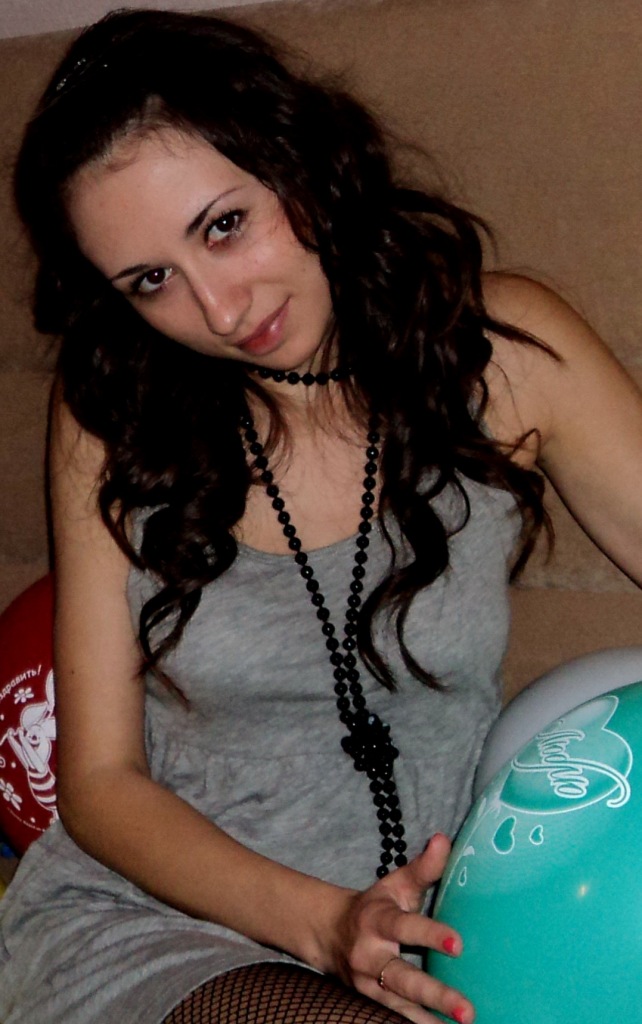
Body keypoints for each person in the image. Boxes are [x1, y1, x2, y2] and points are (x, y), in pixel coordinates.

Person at [2, 8, 642, 1024]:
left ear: (298, 162)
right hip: (157, 931)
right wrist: (323, 923)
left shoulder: (501, 354)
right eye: (152, 281)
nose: (220, 310)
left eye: (223, 225)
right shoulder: (111, 412)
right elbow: (101, 782)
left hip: (435, 930)